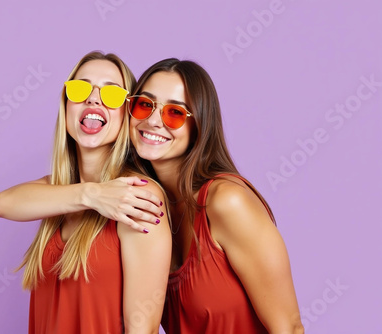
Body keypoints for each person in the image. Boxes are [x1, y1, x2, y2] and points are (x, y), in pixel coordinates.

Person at [0, 51, 171, 334]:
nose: (93, 98)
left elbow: (142, 329)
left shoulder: (136, 196)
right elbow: (2, 204)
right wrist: (91, 195)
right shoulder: (58, 191)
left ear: (128, 113)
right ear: (66, 105)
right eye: (80, 89)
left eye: (112, 94)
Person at [126, 58, 304, 333]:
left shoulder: (226, 202)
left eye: (174, 112)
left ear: (199, 126)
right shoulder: (147, 207)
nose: (152, 121)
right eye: (145, 105)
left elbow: (289, 327)